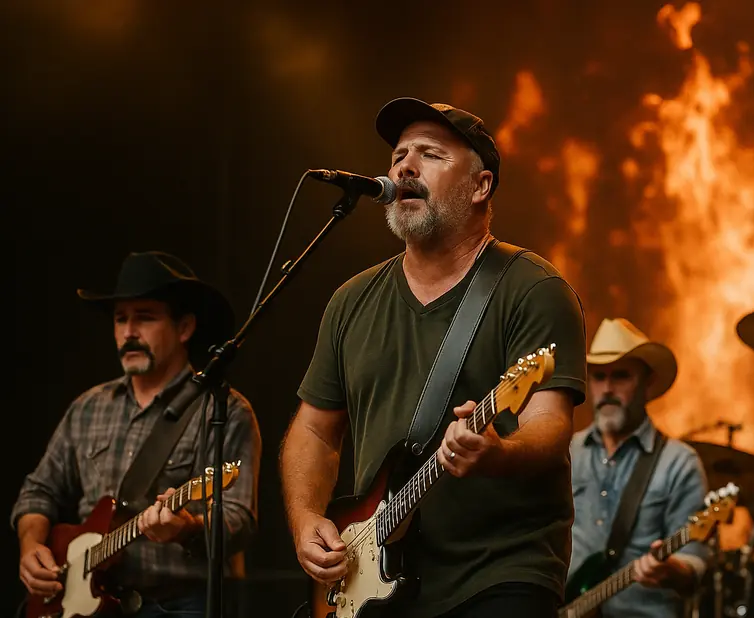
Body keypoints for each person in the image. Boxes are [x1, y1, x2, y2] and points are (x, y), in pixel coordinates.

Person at [280, 97, 588, 618]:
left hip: (498, 573)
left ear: (480, 186)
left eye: (431, 154)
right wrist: (307, 518)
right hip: (377, 578)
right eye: (399, 154)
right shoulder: (352, 300)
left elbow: (548, 424)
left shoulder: (532, 288)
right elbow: (313, 431)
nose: (404, 166)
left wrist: (498, 453)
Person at [13, 251, 262, 616]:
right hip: (83, 602)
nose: (128, 332)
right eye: (120, 319)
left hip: (176, 604)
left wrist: (186, 529)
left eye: (144, 318)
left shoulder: (225, 410)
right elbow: (39, 491)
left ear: (184, 328)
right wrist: (30, 545)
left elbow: (239, 519)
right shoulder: (88, 407)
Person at [567, 317, 712, 618]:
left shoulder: (679, 463)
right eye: (598, 377)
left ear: (647, 383)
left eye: (621, 376)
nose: (607, 388)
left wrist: (673, 570)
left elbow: (695, 564)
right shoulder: (567, 453)